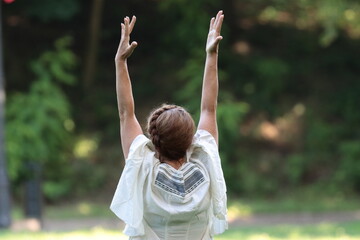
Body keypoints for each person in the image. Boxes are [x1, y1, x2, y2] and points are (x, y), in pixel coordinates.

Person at [110, 10, 227, 240]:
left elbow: (126, 113)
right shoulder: (205, 164)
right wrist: (211, 55)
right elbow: (209, 108)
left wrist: (120, 62)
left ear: (155, 140)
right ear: (191, 139)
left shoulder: (142, 166)